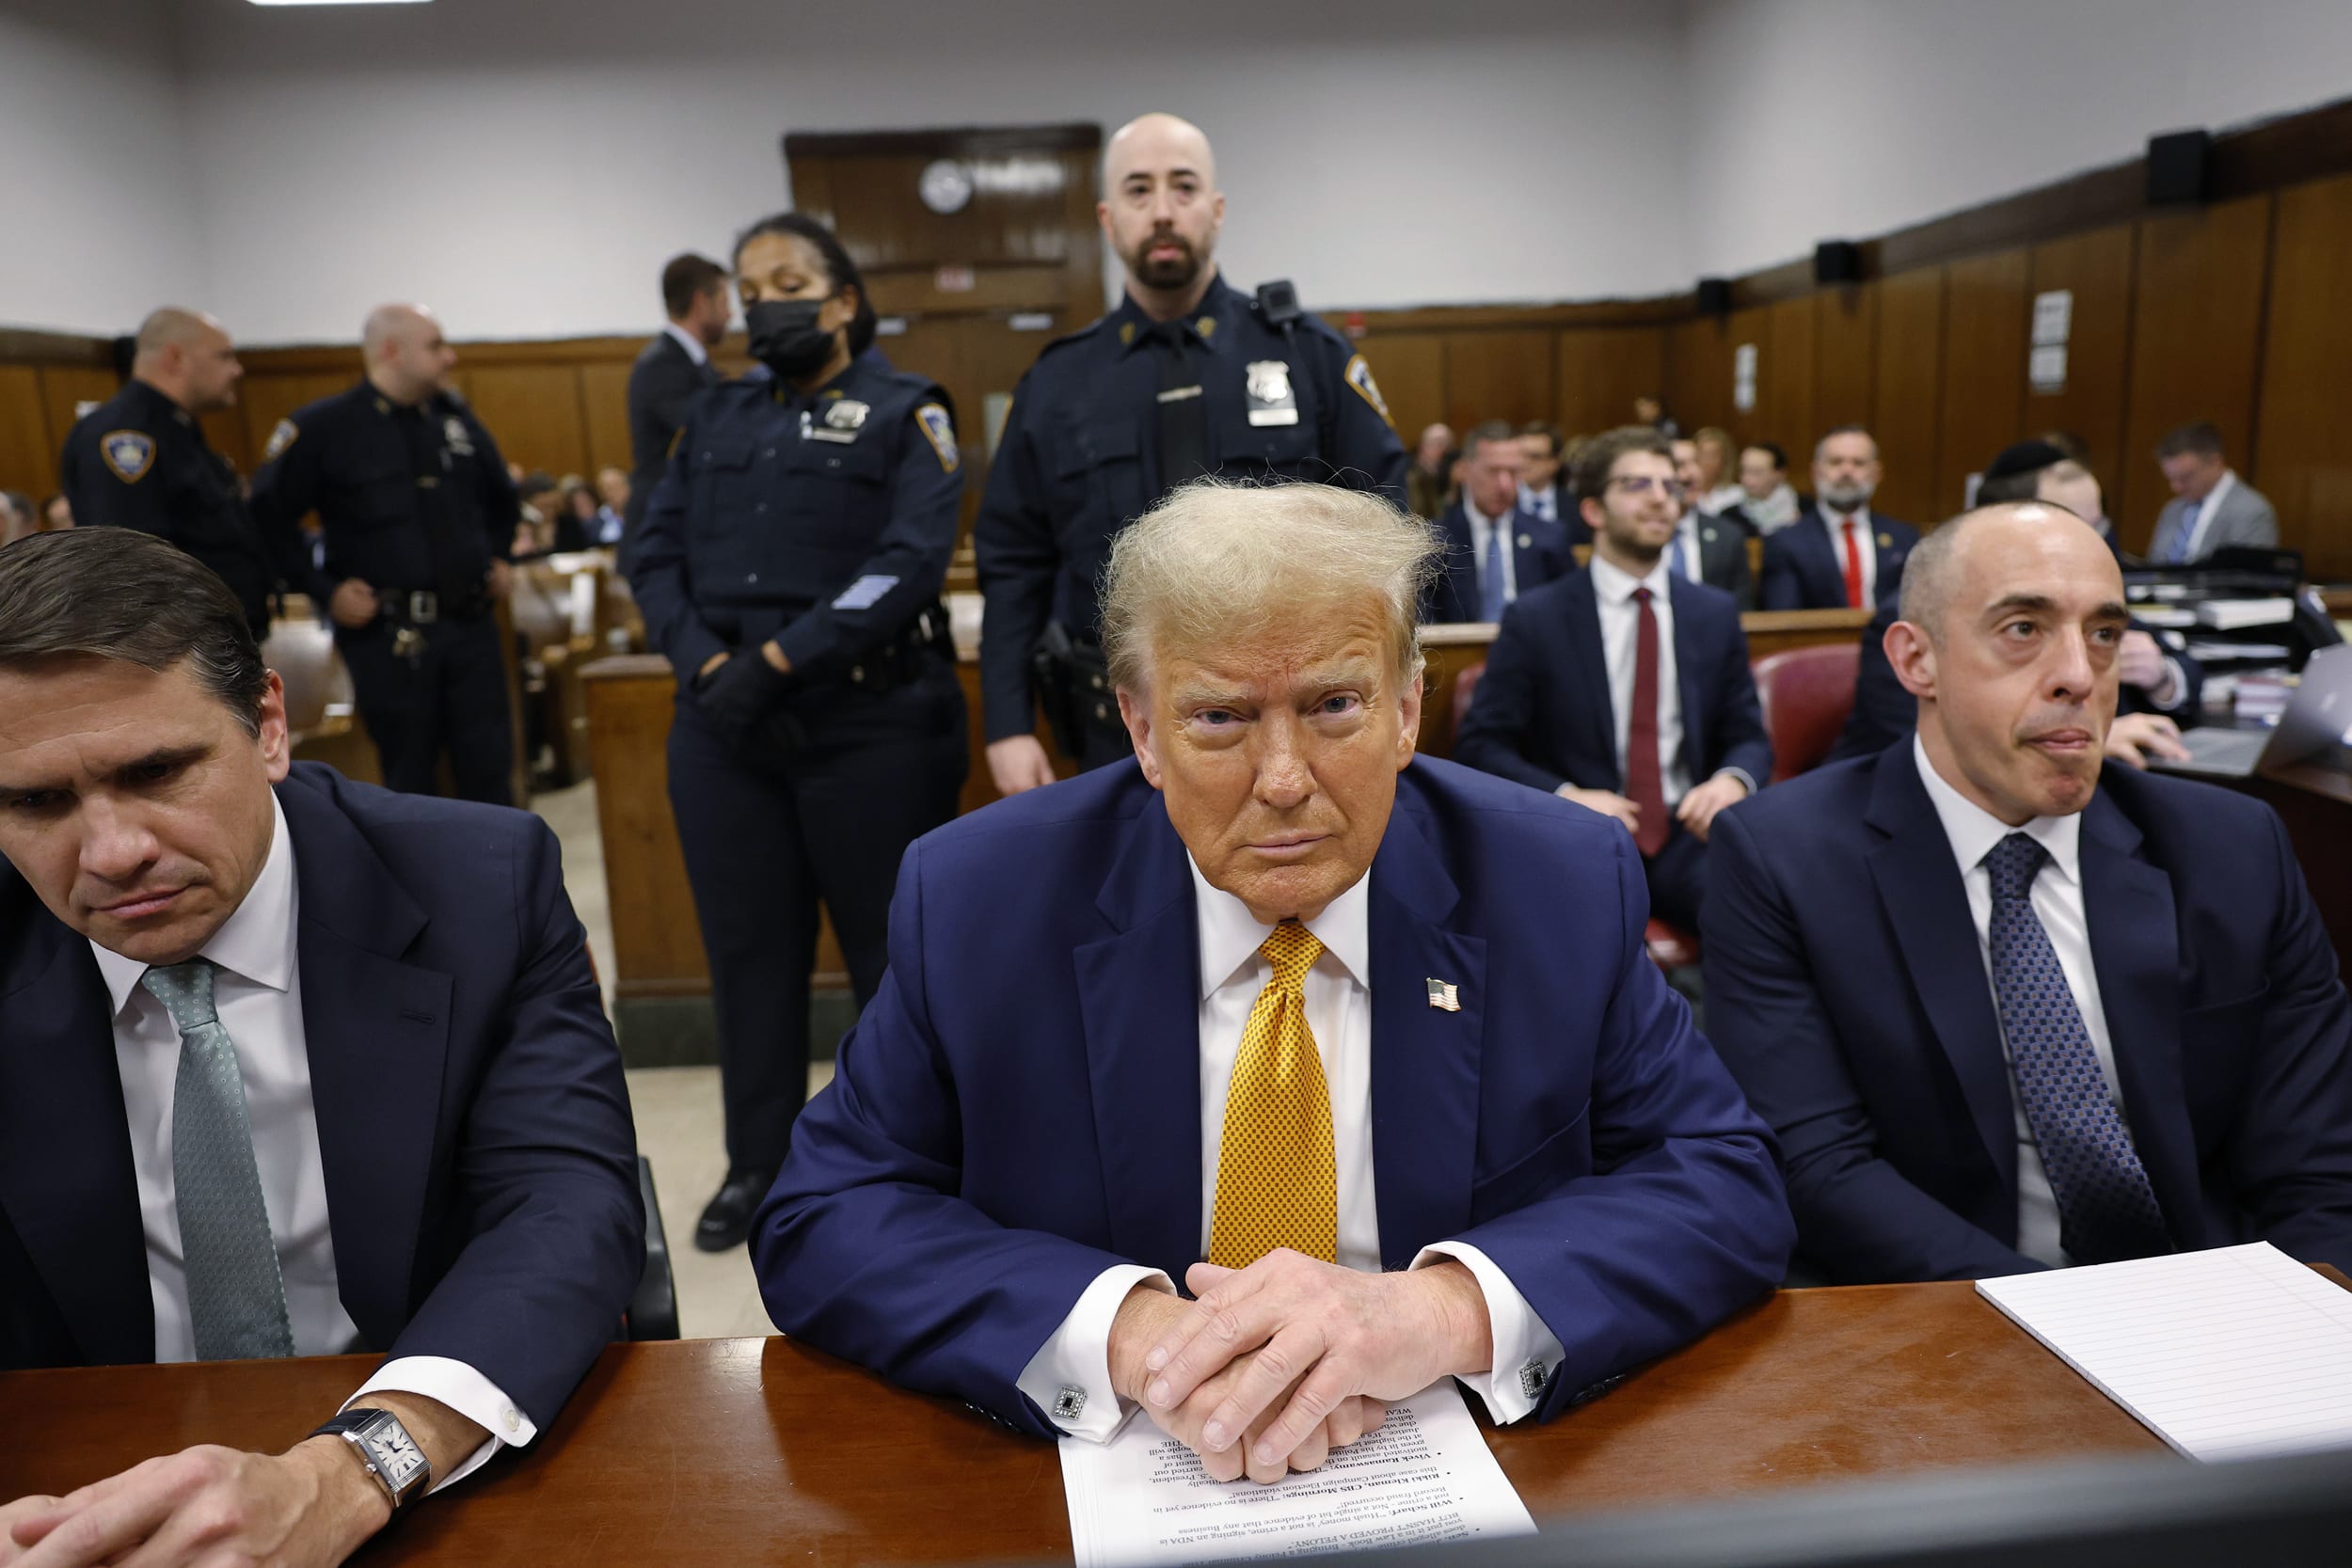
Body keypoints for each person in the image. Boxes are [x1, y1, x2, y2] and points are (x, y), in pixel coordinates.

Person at [754, 480, 1790, 1481]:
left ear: (1407, 707)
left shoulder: (1555, 880)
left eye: (1334, 704)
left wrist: (1432, 1312)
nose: (1284, 778)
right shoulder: (982, 896)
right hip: (1104, 1483)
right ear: (1142, 729)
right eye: (1219, 719)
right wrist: (1132, 1331)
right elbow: (825, 1212)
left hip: (1471, 1468)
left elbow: (1721, 1177)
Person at [0, 529, 643, 1563]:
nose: (113, 853)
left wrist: (356, 1468)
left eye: (157, 770)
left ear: (266, 724)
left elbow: (564, 1202)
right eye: (36, 801)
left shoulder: (479, 881)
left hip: (418, 1463)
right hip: (75, 1479)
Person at [1703, 501, 2352, 1283]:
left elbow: (2318, 1161)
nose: (2080, 674)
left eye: (2104, 634)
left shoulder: (2234, 848)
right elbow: (1818, 1167)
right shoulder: (1784, 858)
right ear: (1916, 661)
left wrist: (2301, 1323)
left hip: (2216, 1310)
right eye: (2024, 629)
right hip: (1952, 1322)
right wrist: (2067, 1330)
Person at [625, 211, 967, 1255]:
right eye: (747, 282)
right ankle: (757, 1164)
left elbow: (908, 561)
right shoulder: (713, 414)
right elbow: (651, 550)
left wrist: (778, 660)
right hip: (725, 726)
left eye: (785, 279)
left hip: (869, 724)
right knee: (749, 954)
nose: (761, 299)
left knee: (889, 956)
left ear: (842, 301)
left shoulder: (906, 412)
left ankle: (898, 1162)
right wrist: (706, 662)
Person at [976, 112, 1408, 793]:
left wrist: (1390, 695)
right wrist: (1006, 721)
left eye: (1183, 188)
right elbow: (1012, 563)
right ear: (1107, 217)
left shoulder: (1307, 355)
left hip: (1290, 720)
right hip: (1116, 726)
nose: (1163, 212)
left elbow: (1387, 527)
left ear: (1216, 209)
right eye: (1139, 191)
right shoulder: (1058, 383)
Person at [1455, 427, 1769, 932]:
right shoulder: (1537, 618)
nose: (1660, 499)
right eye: (1637, 485)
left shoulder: (1712, 613)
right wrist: (1566, 796)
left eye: (1670, 486)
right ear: (1594, 510)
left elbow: (1748, 735)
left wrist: (1732, 781)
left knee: (1758, 917)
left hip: (1688, 833)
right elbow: (1482, 744)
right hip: (1581, 834)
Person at [247, 305, 522, 805]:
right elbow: (266, 521)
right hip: (391, 637)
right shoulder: (327, 426)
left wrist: (501, 558)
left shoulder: (455, 420)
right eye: (436, 345)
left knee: (490, 772)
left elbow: (503, 499)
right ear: (391, 351)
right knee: (408, 780)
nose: (450, 357)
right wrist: (325, 592)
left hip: (471, 627)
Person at [1830, 442, 2201, 768]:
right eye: (2023, 629)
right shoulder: (1921, 613)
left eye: (2097, 526)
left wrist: (2162, 676)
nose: (2080, 676)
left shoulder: (2090, 598)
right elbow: (1925, 743)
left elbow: (2184, 668)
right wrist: (2087, 737)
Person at [57, 308, 279, 639]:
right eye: (224, 357)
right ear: (174, 357)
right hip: (186, 644)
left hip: (221, 639)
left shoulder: (175, 428)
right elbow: (133, 560)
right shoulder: (127, 434)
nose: (237, 370)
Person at [1423, 420, 1578, 624]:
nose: (1505, 485)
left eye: (1513, 472)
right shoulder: (1435, 541)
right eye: (1493, 471)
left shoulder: (1550, 537)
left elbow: (1570, 612)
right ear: (1465, 471)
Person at [624, 253, 730, 545]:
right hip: (662, 530)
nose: (730, 315)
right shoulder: (661, 364)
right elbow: (708, 430)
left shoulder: (694, 364)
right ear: (700, 302)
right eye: (724, 302)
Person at [1759, 427, 1918, 610]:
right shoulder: (1785, 542)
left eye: (1858, 463)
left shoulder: (1904, 537)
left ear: (1876, 474)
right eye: (1836, 462)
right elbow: (1783, 620)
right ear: (1816, 472)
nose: (1846, 470)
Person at [2148, 422, 2278, 564]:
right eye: (2171, 478)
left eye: (2186, 477)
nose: (2176, 487)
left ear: (2216, 463)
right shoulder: (2173, 509)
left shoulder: (2252, 511)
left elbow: (2248, 577)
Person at [1668, 436, 1755, 607]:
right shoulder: (1636, 534)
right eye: (1680, 465)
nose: (1693, 474)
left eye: (1697, 464)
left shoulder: (1729, 536)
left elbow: (1742, 609)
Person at [1736, 441, 1800, 533]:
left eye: (1756, 472)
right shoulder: (1730, 516)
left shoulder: (1806, 510)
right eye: (1743, 471)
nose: (1746, 479)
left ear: (1780, 474)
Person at [1515, 422, 1569, 524]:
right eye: (1521, 455)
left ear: (1554, 462)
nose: (1524, 463)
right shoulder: (1502, 502)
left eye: (1535, 457)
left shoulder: (1573, 506)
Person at [1691, 427, 1748, 519]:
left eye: (1713, 455)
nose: (1706, 462)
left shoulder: (1737, 495)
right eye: (1702, 454)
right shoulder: (1685, 495)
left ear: (1724, 461)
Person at [1406, 421, 1453, 520]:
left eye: (1447, 446)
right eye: (1439, 444)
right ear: (1423, 446)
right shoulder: (1410, 475)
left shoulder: (1443, 473)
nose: (1443, 451)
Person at [592, 466, 630, 545]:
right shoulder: (594, 524)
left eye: (618, 486)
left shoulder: (646, 517)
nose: (615, 493)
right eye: (609, 488)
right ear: (602, 494)